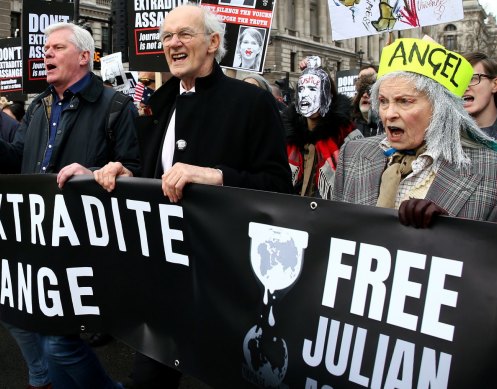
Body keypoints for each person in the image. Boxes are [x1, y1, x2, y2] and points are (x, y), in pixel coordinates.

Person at [92, 5, 291, 388]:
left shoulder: (250, 103)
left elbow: (278, 187)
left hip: (228, 282)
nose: (173, 43)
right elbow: (157, 178)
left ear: (213, 42)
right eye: (166, 36)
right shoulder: (157, 105)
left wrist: (214, 176)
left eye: (184, 34)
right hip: (166, 277)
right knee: (148, 381)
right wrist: (127, 174)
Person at [0, 22, 140, 389]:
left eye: (57, 47)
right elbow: (18, 160)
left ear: (83, 57)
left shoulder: (117, 106)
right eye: (46, 48)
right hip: (35, 240)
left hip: (82, 246)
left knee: (59, 342)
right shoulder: (38, 106)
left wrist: (91, 172)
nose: (46, 53)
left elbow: (136, 172)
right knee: (18, 317)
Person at [332, 37, 497, 228]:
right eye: (384, 101)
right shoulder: (353, 155)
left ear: (441, 109)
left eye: (404, 101)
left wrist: (447, 234)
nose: (389, 114)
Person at [284, 63, 362, 199]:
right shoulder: (287, 137)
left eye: (313, 89)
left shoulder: (347, 134)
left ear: (329, 95)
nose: (306, 95)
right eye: (302, 89)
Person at [462, 52, 497, 139]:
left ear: (495, 85)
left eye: (472, 78)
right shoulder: (445, 136)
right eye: (459, 81)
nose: (463, 88)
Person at [351, 72, 381, 137]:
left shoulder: (386, 126)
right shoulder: (349, 125)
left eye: (369, 92)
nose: (364, 95)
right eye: (362, 92)